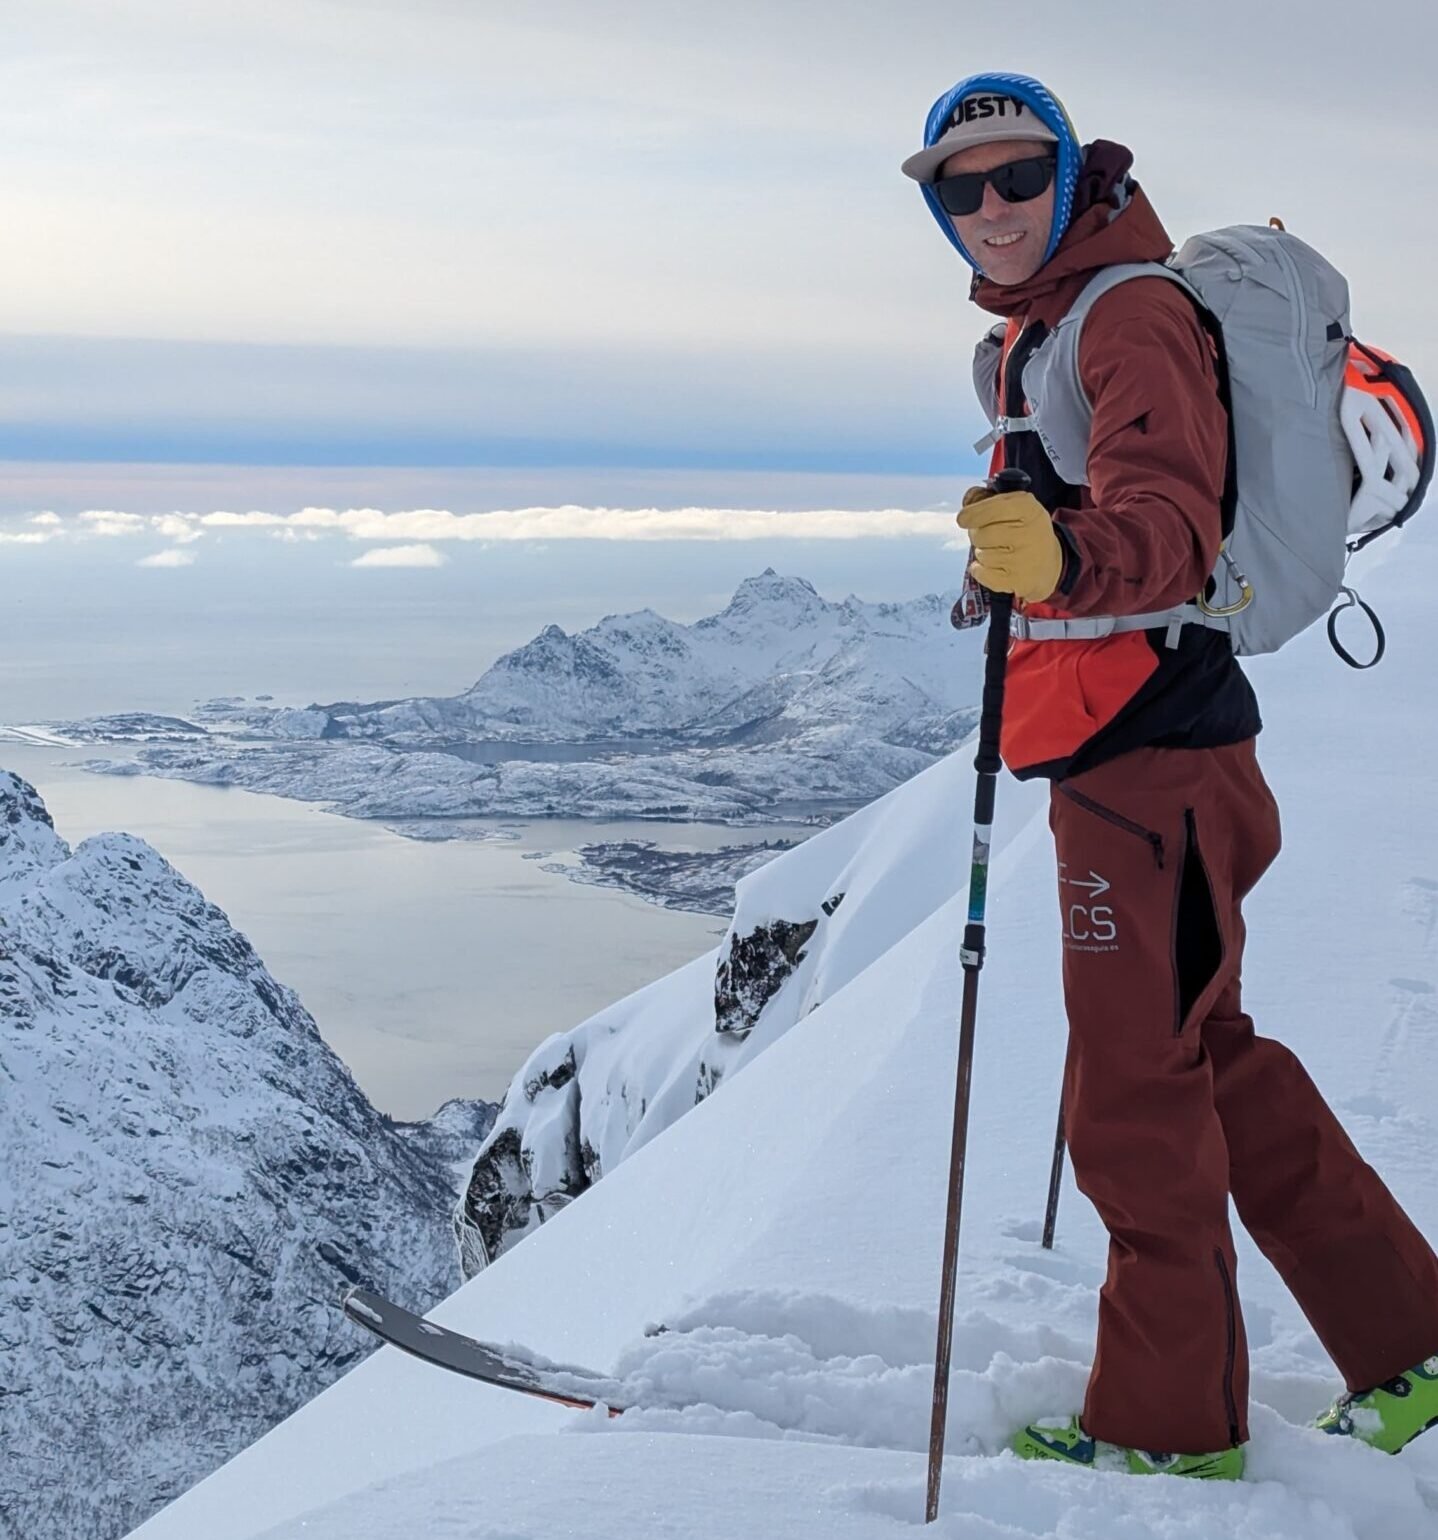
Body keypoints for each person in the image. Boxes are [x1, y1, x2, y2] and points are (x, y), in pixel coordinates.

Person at [901, 72, 1438, 1480]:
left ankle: (1170, 1428)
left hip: (1152, 762)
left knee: (1135, 1099)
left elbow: (1170, 525)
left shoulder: (1127, 312)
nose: (990, 205)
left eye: (1019, 175)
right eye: (958, 187)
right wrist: (1018, 564)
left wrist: (1062, 555)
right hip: (1141, 756)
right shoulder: (1045, 329)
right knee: (1205, 1062)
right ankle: (1413, 1343)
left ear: (1069, 175)